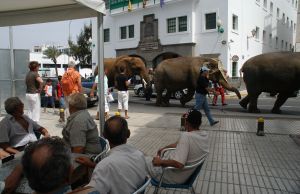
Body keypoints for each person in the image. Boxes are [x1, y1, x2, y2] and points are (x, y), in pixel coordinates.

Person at [75, 116, 148, 194]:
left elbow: (94, 191)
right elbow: (120, 169)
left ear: (104, 135)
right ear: (128, 133)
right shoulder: (140, 155)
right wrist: (93, 165)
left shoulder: (106, 165)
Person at [146, 109, 209, 184]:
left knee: (141, 160)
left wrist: (161, 162)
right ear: (200, 123)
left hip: (170, 176)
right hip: (183, 175)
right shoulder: (203, 135)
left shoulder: (186, 136)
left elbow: (179, 164)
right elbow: (178, 143)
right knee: (144, 159)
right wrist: (164, 148)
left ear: (187, 123)